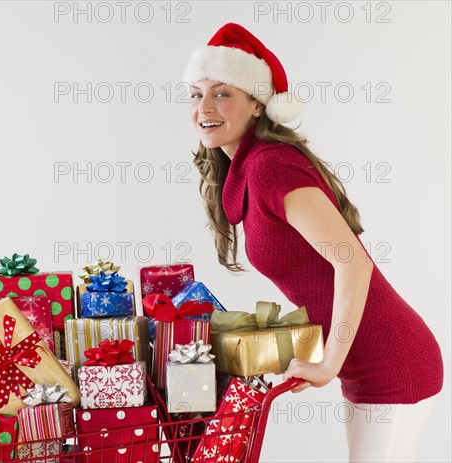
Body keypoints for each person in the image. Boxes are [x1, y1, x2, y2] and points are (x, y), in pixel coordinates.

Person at [182, 22, 444, 462]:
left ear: (257, 105)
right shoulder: (248, 170)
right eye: (195, 93)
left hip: (395, 363)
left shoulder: (270, 168)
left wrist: (329, 365)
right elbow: (315, 277)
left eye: (222, 92)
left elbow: (352, 263)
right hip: (365, 368)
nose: (204, 106)